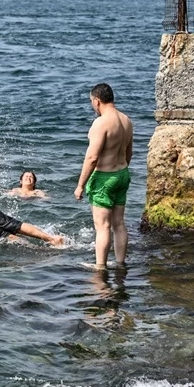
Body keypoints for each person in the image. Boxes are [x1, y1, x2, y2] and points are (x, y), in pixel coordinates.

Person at [74, 83, 133, 269]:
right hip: (122, 174)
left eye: (92, 102)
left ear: (97, 101)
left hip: (104, 178)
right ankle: (120, 263)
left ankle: (100, 267)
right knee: (119, 223)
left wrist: (80, 185)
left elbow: (92, 158)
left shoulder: (101, 123)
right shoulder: (126, 120)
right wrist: (119, 172)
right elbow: (129, 152)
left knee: (103, 226)